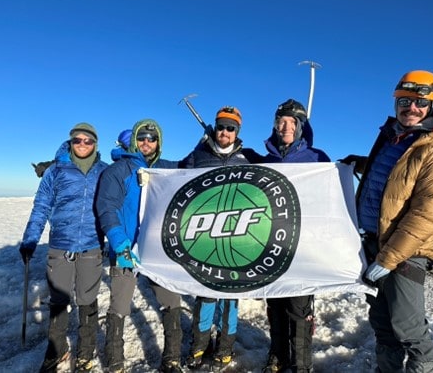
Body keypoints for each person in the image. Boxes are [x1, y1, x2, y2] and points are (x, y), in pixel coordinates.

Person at [341, 70, 433, 372]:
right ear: (396, 103)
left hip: (404, 254)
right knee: (382, 325)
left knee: (408, 329)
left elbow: (427, 214)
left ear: (432, 106)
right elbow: (399, 175)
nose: (411, 108)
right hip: (373, 243)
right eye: (404, 101)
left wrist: (388, 259)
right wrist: (362, 163)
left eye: (420, 102)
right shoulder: (394, 138)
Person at [96, 119, 184, 373]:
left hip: (158, 250)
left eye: (152, 138)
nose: (147, 142)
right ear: (134, 139)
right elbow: (107, 207)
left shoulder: (164, 169)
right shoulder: (118, 171)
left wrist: (205, 145)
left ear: (159, 143)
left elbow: (191, 168)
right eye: (142, 137)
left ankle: (172, 359)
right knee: (120, 305)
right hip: (126, 249)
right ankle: (114, 361)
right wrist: (119, 243)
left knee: (171, 302)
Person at [19, 123, 108, 372]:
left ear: (95, 144)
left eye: (87, 141)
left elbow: (115, 207)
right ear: (70, 143)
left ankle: (86, 351)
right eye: (77, 140)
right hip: (60, 245)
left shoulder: (104, 171)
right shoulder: (56, 171)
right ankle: (56, 350)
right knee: (58, 300)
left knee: (87, 300)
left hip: (92, 246)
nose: (82, 144)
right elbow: (41, 207)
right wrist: (30, 240)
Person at [180, 106, 262, 371]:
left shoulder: (247, 158)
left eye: (231, 128)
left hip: (235, 240)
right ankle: (199, 346)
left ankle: (224, 348)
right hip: (205, 239)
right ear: (214, 128)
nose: (224, 132)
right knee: (204, 296)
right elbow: (174, 176)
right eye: (221, 126)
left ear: (237, 132)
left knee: (229, 298)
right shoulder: (199, 156)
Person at [261, 99, 330, 373]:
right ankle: (277, 355)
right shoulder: (265, 160)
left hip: (304, 248)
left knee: (299, 309)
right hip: (272, 247)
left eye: (292, 122)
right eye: (281, 121)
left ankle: (301, 364)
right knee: (276, 304)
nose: (285, 127)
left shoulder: (317, 159)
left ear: (301, 126)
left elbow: (329, 199)